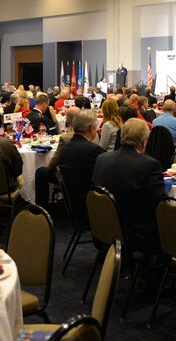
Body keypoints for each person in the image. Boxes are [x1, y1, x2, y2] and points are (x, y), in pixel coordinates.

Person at [91, 118, 164, 255]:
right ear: (143, 141)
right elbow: (159, 203)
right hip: (135, 233)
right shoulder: (149, 164)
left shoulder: (102, 159)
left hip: (103, 227)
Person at [57, 109, 106, 221]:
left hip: (73, 205)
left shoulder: (64, 149)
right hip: (91, 206)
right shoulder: (93, 150)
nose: (97, 129)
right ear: (90, 128)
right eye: (95, 127)